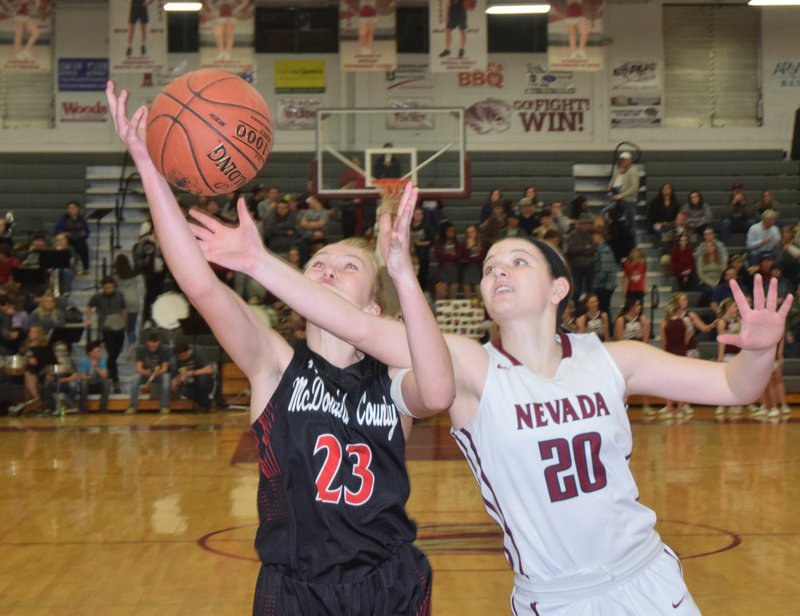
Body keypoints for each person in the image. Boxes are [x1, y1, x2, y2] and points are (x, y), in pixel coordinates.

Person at [204, 206, 793, 613]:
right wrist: (261, 264)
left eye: (516, 261)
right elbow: (356, 322)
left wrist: (763, 349)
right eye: (489, 268)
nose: (497, 271)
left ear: (559, 288)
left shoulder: (617, 359)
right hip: (554, 598)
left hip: (648, 576)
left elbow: (737, 386)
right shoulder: (467, 365)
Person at [107, 82, 454, 615]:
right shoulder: (274, 362)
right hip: (296, 589)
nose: (327, 269)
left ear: (373, 308)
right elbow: (201, 285)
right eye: (318, 264)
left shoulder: (393, 379)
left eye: (349, 266)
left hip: (388, 582)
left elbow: (436, 390)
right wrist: (148, 164)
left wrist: (404, 274)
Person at [85, 275, 127, 393]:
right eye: (106, 288)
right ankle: (115, 380)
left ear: (114, 286)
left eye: (111, 287)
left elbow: (124, 309)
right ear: (103, 287)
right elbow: (89, 306)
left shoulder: (119, 295)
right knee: (112, 352)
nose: (109, 290)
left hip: (119, 326)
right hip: (106, 327)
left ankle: (110, 374)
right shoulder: (98, 297)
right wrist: (89, 319)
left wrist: (125, 323)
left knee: (115, 353)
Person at [127, 330, 170, 415]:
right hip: (145, 374)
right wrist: (145, 372)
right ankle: (133, 406)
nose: (153, 346)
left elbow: (165, 367)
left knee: (166, 378)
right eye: (151, 344)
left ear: (159, 342)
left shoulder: (164, 350)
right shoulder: (141, 349)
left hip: (158, 375)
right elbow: (138, 367)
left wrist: (159, 372)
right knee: (135, 379)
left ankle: (164, 406)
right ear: (147, 342)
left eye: (155, 344)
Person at [605, 151, 640, 245]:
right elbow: (616, 180)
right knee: (628, 223)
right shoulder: (624, 171)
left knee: (631, 225)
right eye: (622, 160)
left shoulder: (633, 171)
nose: (623, 162)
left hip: (629, 201)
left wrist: (621, 195)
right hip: (622, 200)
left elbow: (634, 188)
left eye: (625, 160)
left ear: (629, 161)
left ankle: (635, 245)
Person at [170, 341, 215, 412]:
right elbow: (179, 374)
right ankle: (204, 403)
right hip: (189, 381)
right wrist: (176, 380)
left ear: (188, 351)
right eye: (179, 357)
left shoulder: (197, 352)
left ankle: (203, 404)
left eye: (183, 356)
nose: (182, 358)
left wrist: (193, 372)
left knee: (202, 380)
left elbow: (210, 369)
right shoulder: (176, 359)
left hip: (204, 379)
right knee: (184, 390)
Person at [53, 200, 90, 276]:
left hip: (78, 239)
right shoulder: (64, 218)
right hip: (67, 239)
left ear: (78, 209)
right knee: (73, 245)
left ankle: (85, 267)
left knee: (82, 245)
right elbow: (57, 229)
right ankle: (72, 266)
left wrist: (84, 233)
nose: (71, 210)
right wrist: (64, 233)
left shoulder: (81, 219)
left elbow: (86, 231)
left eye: (73, 208)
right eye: (69, 208)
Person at [78, 340, 111, 414]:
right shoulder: (84, 361)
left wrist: (96, 367)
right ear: (90, 353)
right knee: (83, 383)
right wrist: (88, 377)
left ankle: (103, 408)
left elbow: (105, 375)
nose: (99, 353)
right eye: (97, 351)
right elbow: (82, 375)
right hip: (88, 385)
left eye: (99, 351)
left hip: (98, 385)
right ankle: (83, 408)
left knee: (106, 381)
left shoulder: (102, 361)